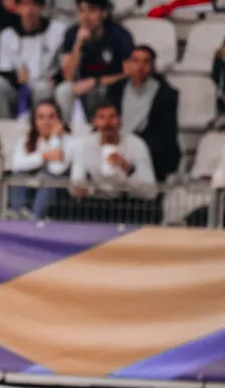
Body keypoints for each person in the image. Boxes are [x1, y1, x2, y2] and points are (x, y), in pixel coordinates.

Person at [65, 98, 159, 223]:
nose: (107, 123)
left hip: (127, 204)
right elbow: (75, 184)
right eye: (101, 117)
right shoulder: (85, 145)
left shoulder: (136, 145)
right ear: (94, 122)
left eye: (112, 117)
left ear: (119, 119)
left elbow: (151, 192)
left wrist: (128, 170)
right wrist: (86, 188)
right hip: (95, 202)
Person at [105, 45, 180, 183]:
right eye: (136, 61)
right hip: (117, 141)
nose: (140, 66)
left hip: (151, 149)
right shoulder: (115, 89)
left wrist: (134, 149)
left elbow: (164, 133)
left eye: (146, 62)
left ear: (152, 66)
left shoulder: (166, 95)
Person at [54, 0, 133, 125]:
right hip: (81, 85)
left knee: (100, 91)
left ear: (104, 13)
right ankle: (64, 129)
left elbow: (129, 73)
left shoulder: (120, 35)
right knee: (63, 90)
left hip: (111, 86)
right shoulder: (72, 33)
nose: (86, 17)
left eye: (91, 11)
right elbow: (68, 76)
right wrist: (78, 44)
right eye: (81, 11)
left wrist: (96, 81)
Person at [0, 0, 66, 120]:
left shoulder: (57, 31)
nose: (29, 10)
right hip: (17, 89)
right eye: (25, 4)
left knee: (42, 88)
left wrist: (55, 79)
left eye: (34, 4)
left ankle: (38, 125)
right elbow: (4, 69)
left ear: (42, 7)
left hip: (45, 86)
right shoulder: (7, 35)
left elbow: (63, 66)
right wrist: (17, 78)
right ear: (17, 8)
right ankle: (3, 124)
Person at [9, 99, 72, 219]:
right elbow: (17, 165)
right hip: (29, 186)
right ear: (34, 121)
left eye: (51, 117)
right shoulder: (25, 140)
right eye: (41, 117)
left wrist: (54, 138)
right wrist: (44, 157)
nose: (46, 122)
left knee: (49, 177)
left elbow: (56, 169)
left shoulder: (69, 141)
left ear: (59, 120)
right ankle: (18, 216)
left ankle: (35, 219)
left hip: (58, 191)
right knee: (19, 176)